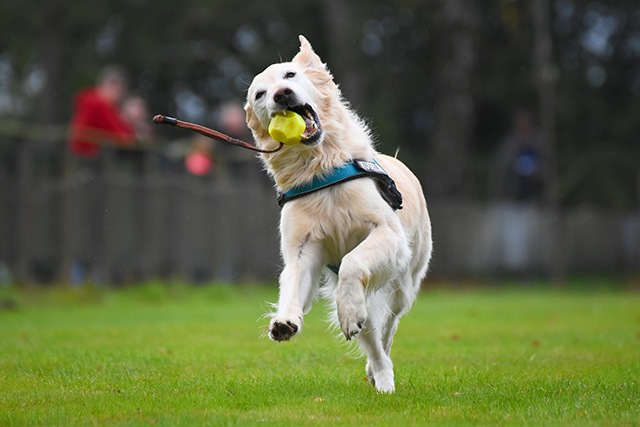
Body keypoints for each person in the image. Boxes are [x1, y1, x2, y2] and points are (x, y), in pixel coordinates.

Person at [490, 108, 547, 202]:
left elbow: (547, 164)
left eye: (525, 122)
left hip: (535, 193)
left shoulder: (539, 141)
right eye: (520, 122)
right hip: (512, 192)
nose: (523, 125)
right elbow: (501, 167)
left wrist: (538, 169)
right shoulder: (509, 142)